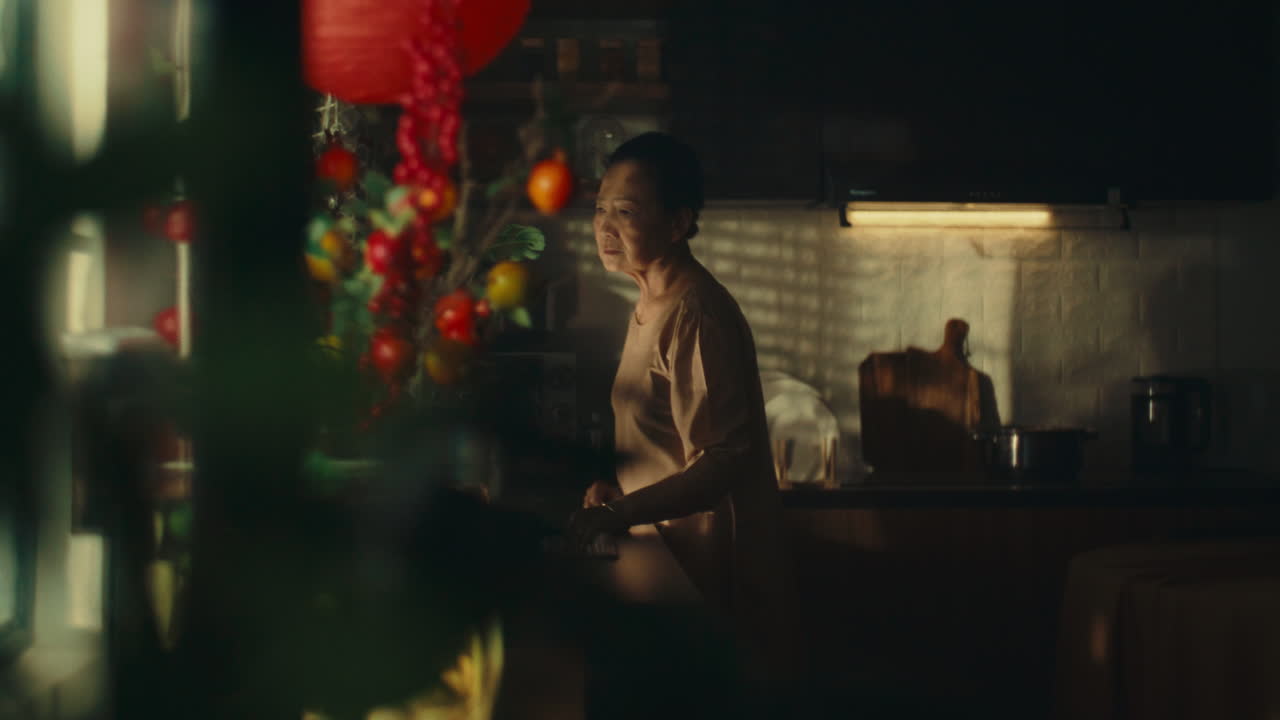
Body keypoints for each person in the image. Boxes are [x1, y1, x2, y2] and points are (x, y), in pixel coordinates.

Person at [567, 132, 800, 704]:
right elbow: (660, 439)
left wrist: (624, 509)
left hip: (709, 572)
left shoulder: (696, 311)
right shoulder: (650, 301)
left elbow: (721, 459)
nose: (605, 227)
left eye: (625, 212)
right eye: (600, 209)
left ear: (677, 223)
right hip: (664, 562)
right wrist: (615, 488)